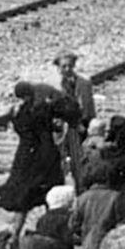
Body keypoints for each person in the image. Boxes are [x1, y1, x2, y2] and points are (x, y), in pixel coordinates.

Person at [0, 82, 75, 241]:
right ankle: (53, 231)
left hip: (25, 156)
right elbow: (61, 117)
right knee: (51, 193)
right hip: (44, 155)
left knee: (24, 200)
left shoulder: (17, 113)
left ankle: (14, 237)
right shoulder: (41, 109)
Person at [53, 49, 96, 187]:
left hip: (79, 127)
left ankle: (81, 186)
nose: (67, 69)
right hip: (61, 129)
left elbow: (89, 106)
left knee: (80, 160)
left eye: (69, 66)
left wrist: (87, 124)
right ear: (58, 68)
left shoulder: (84, 83)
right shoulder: (55, 87)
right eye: (63, 66)